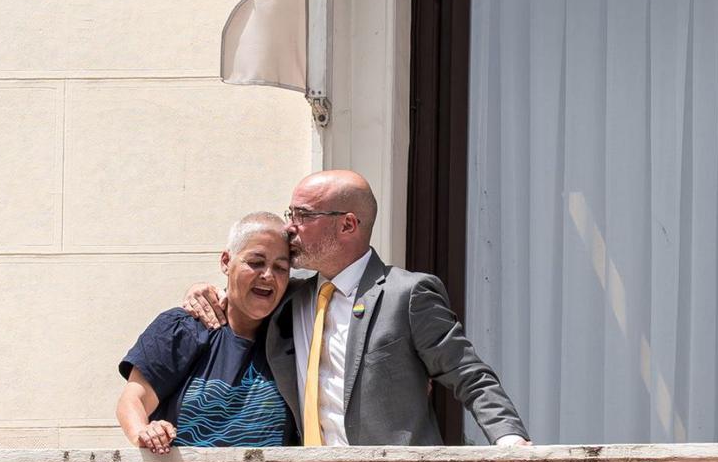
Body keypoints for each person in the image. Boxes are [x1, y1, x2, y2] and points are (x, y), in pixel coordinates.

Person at [183, 170, 530, 447]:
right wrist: (206, 289)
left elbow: (470, 375)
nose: (289, 227)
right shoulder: (289, 293)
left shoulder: (407, 294)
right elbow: (244, 288)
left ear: (347, 224)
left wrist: (510, 440)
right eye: (291, 213)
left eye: (303, 214)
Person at [117, 212, 295, 454]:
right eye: (255, 262)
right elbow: (133, 399)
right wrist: (144, 431)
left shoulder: (296, 332)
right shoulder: (184, 327)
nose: (267, 275)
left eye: (281, 267)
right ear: (225, 262)